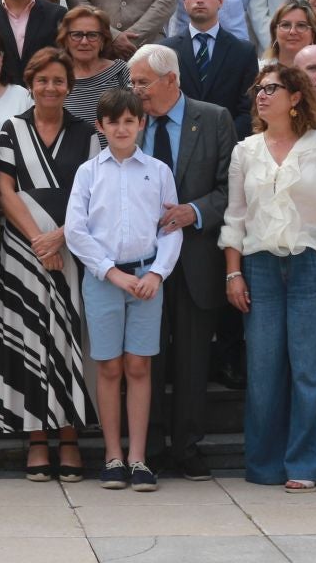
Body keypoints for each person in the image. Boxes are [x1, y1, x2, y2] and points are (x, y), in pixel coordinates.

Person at [222, 62, 316, 491]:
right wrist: (232, 274)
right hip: (258, 266)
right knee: (263, 370)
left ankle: (309, 465)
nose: (261, 95)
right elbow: (235, 218)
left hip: (312, 263)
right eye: (258, 88)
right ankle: (265, 465)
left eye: (271, 88)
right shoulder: (245, 150)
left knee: (312, 370)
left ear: (295, 97)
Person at [126, 43, 234, 480]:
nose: (135, 91)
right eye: (131, 82)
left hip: (194, 259)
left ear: (171, 79)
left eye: (142, 83)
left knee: (191, 360)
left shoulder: (213, 119)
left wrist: (195, 212)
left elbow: (232, 188)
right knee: (145, 358)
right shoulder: (128, 121)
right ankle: (146, 447)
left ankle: (187, 446)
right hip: (140, 262)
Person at [66, 86, 180, 494]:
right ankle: (113, 454)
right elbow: (77, 231)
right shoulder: (88, 172)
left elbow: (169, 228)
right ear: (100, 126)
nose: (121, 128)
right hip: (104, 281)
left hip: (147, 280)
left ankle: (139, 458)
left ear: (141, 124)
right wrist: (110, 272)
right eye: (113, 121)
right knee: (110, 367)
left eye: (129, 121)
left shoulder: (158, 171)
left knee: (139, 366)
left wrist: (158, 274)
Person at [0, 47, 96, 480]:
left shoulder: (87, 133)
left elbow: (93, 194)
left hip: (71, 250)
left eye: (58, 81)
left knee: (69, 338)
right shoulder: (11, 130)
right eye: (42, 80)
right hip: (23, 252)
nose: (50, 88)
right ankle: (35, 437)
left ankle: (69, 436)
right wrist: (38, 240)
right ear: (30, 85)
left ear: (69, 87)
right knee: (28, 338)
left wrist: (61, 237)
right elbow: (5, 190)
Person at [161, 0, 260, 136]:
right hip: (177, 146)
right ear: (184, 2)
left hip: (228, 148)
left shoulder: (243, 52)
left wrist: (220, 142)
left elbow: (248, 111)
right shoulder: (165, 50)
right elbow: (161, 105)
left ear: (221, 0)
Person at [60, 4, 130, 124]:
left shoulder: (121, 71)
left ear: (103, 40)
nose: (84, 42)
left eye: (92, 35)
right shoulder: (58, 77)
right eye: (77, 35)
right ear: (66, 39)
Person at [262, 0, 316, 70]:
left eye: (301, 25)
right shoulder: (258, 72)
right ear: (275, 32)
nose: (292, 31)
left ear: (313, 34)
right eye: (285, 25)